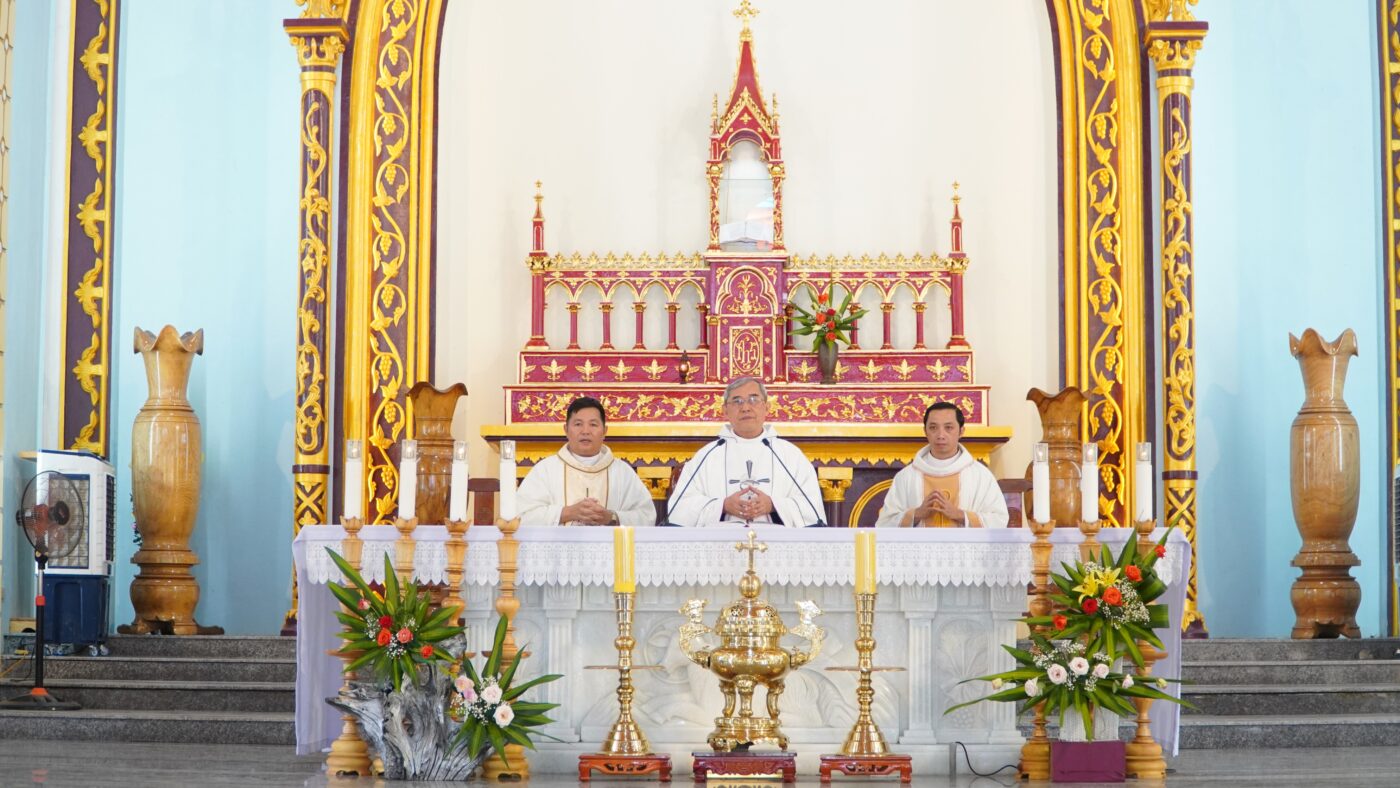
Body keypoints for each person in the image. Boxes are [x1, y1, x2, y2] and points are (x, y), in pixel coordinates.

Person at [667, 377, 824, 527]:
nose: (746, 408)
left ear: (767, 407)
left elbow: (811, 508)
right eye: (737, 401)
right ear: (725, 411)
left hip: (776, 542)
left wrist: (773, 505)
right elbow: (680, 509)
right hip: (721, 542)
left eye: (754, 399)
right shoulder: (707, 456)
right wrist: (722, 506)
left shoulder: (790, 455)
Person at [516, 396, 655, 526]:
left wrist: (611, 517)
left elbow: (647, 516)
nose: (585, 431)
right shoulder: (546, 470)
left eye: (593, 424)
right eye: (578, 424)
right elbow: (521, 516)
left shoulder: (622, 472)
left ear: (604, 431)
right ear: (566, 430)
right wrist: (568, 513)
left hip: (609, 545)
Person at [875, 401, 1009, 528]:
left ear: (961, 431)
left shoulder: (980, 476)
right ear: (925, 431)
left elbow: (999, 520)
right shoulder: (906, 476)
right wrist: (916, 514)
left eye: (948, 427)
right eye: (933, 428)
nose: (940, 435)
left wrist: (960, 515)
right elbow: (884, 523)